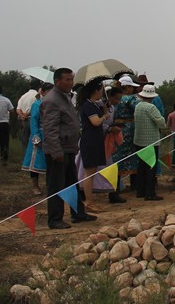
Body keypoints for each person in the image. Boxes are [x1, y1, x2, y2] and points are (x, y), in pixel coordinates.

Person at [42, 68, 96, 229]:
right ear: (57, 81)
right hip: (58, 150)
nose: (71, 83)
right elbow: (50, 129)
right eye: (67, 80)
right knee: (56, 186)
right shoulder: (51, 100)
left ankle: (78, 213)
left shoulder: (66, 97)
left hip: (69, 148)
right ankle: (55, 219)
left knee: (72, 183)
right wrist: (56, 151)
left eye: (72, 79)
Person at [77, 81, 110, 212]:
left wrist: (104, 111)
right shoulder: (87, 105)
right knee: (89, 173)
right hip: (90, 141)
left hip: (95, 140)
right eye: (101, 90)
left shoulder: (94, 105)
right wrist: (104, 117)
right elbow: (95, 122)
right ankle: (89, 201)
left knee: (92, 171)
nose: (102, 92)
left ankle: (90, 200)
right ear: (95, 91)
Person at [133, 84, 166, 201]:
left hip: (138, 140)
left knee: (141, 167)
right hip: (151, 141)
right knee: (151, 167)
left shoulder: (138, 106)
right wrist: (163, 124)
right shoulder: (151, 107)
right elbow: (161, 121)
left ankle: (140, 191)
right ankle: (150, 193)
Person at [22, 83, 52, 195]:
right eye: (49, 92)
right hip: (40, 134)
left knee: (51, 162)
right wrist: (36, 136)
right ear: (43, 92)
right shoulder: (37, 105)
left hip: (51, 135)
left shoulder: (55, 104)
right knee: (36, 162)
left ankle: (50, 185)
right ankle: (35, 186)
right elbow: (33, 121)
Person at [113, 75, 140, 189]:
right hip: (129, 128)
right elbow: (138, 108)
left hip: (116, 128)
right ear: (127, 87)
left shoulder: (114, 98)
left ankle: (116, 185)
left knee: (117, 156)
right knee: (134, 155)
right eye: (131, 87)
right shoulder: (130, 99)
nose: (133, 89)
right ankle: (135, 184)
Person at [17, 79, 41, 148]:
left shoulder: (23, 96)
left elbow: (18, 109)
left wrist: (22, 115)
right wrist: (27, 114)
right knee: (35, 140)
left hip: (24, 121)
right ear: (38, 86)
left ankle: (25, 156)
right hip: (34, 120)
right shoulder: (37, 96)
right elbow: (36, 107)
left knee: (25, 140)